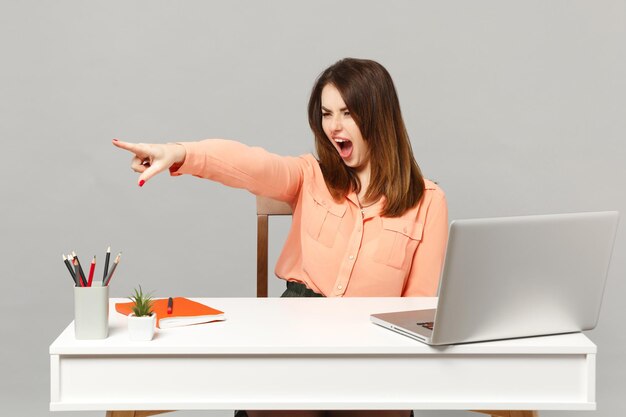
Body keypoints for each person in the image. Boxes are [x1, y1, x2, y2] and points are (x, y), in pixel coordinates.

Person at [113, 58, 448, 417]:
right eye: (326, 113)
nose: (334, 126)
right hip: (294, 338)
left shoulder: (428, 202)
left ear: (379, 118)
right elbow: (248, 163)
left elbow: (417, 314)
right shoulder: (309, 175)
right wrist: (180, 153)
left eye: (348, 113)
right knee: (279, 402)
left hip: (374, 352)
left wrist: (375, 366)